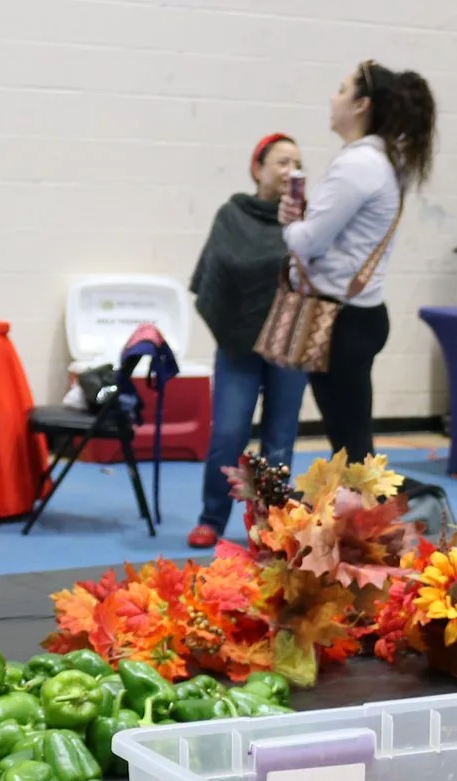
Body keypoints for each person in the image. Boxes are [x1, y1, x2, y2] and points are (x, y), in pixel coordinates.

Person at [279, 59, 434, 466]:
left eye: (342, 89)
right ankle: (362, 521)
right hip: (356, 314)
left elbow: (310, 240)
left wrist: (291, 228)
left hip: (341, 320)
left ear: (362, 104)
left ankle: (373, 525)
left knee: (352, 450)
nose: (333, 98)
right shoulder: (383, 162)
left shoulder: (358, 164)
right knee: (349, 445)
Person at [187, 133, 312, 546]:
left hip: (291, 334)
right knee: (228, 432)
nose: (289, 170)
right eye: (280, 162)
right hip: (238, 337)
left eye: (296, 163)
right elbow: (220, 266)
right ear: (257, 168)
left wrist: (303, 227)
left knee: (280, 438)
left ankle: (271, 523)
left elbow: (320, 270)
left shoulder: (310, 219)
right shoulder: (232, 214)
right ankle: (212, 517)